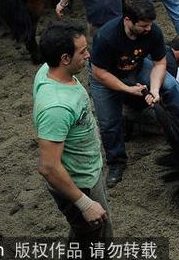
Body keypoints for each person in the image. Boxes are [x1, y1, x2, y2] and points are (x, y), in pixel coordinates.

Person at [88, 0, 179, 187]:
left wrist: (155, 90)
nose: (149, 29)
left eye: (150, 24)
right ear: (128, 21)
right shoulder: (107, 37)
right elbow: (99, 73)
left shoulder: (152, 32)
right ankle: (116, 162)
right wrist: (128, 89)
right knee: (108, 122)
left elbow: (159, 62)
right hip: (105, 75)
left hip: (137, 65)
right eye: (144, 25)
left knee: (170, 85)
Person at [34, 22, 112, 243]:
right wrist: (84, 203)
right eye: (82, 51)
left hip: (87, 170)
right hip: (80, 183)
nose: (88, 55)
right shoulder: (56, 108)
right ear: (65, 58)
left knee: (83, 234)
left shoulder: (47, 71)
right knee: (98, 239)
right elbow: (48, 167)